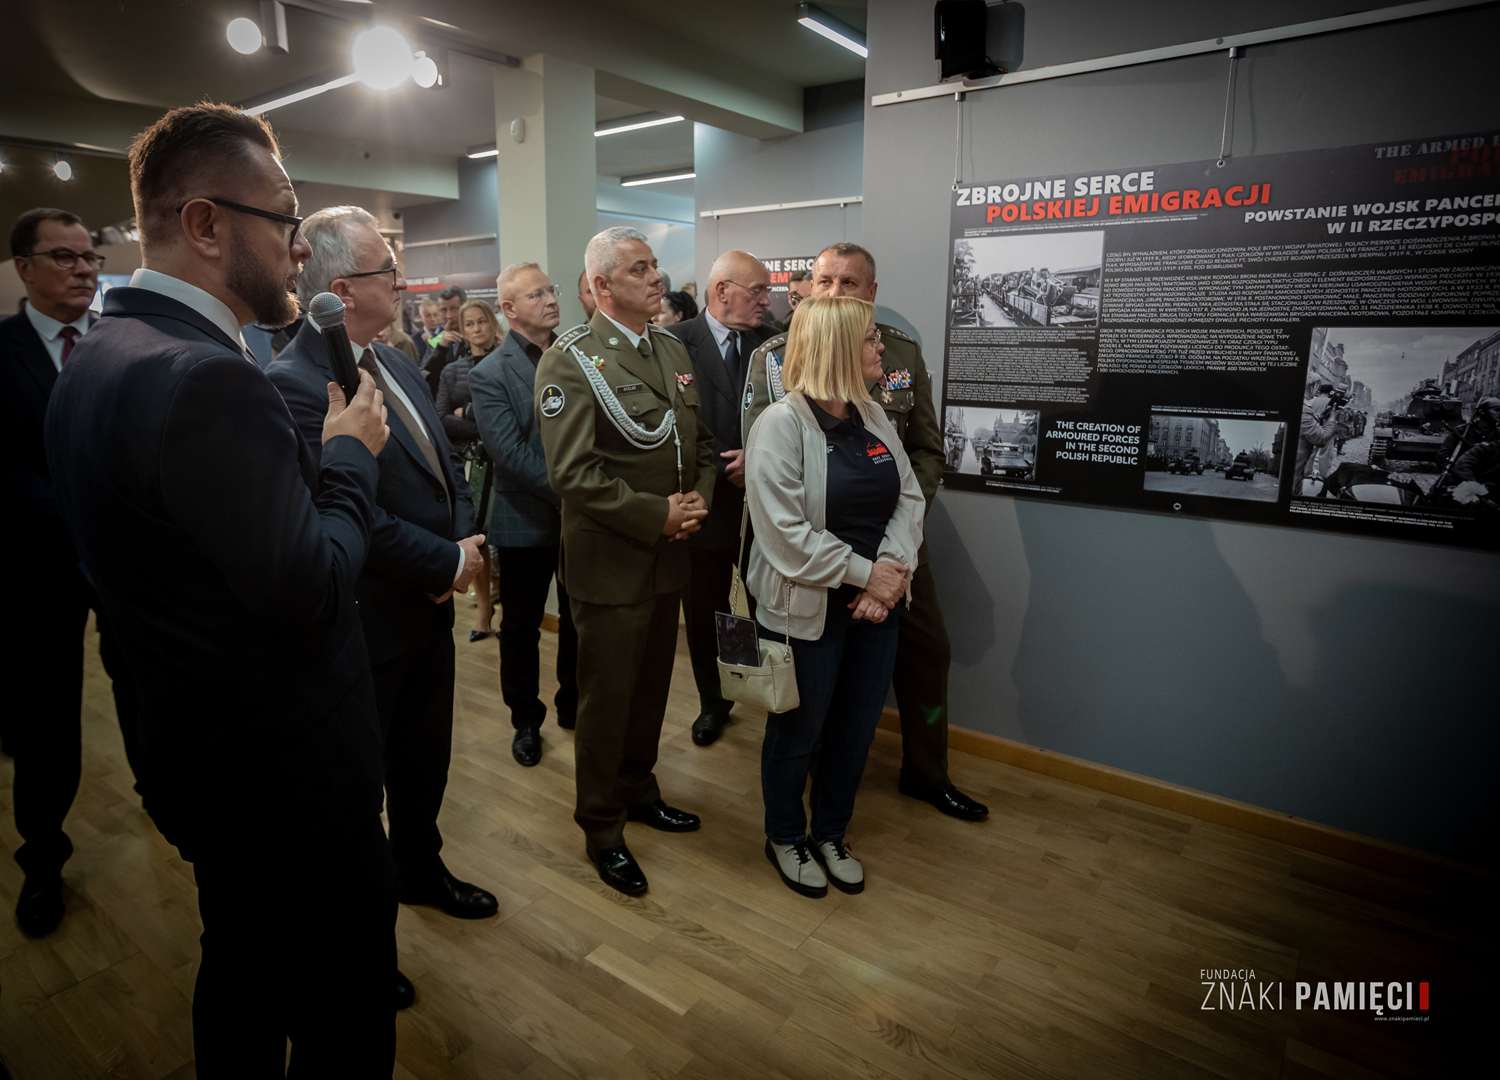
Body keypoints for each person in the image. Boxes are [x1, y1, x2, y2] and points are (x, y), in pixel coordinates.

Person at [44, 103, 401, 1073]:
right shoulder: (206, 378)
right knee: (340, 1005)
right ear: (205, 224)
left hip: (196, 756)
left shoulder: (96, 357)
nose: (299, 248)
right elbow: (313, 588)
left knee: (243, 970)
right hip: (286, 783)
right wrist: (349, 455)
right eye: (284, 219)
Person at [267, 205, 500, 926]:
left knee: (424, 762)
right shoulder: (295, 384)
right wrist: (443, 561)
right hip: (370, 624)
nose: (401, 282)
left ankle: (419, 870)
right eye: (388, 271)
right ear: (342, 288)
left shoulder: (392, 359)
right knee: (361, 785)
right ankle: (367, 935)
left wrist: (463, 541)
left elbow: (445, 465)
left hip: (430, 608)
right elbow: (349, 510)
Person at [743, 242, 991, 823]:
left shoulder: (896, 358)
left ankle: (923, 775)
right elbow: (772, 479)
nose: (833, 292)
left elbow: (922, 456)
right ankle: (799, 808)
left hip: (894, 547)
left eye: (847, 283)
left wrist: (891, 558)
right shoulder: (777, 359)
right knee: (811, 697)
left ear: (871, 293)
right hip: (816, 556)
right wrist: (863, 573)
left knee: (922, 658)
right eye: (823, 281)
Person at [536, 226, 716, 896]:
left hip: (667, 557)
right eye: (639, 269)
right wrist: (655, 515)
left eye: (655, 265)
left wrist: (698, 498)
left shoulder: (670, 349)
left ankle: (639, 789)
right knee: (607, 701)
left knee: (650, 692)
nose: (656, 277)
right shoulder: (570, 361)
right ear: (602, 285)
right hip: (611, 563)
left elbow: (699, 443)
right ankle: (601, 824)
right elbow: (573, 475)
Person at [745, 296, 924, 897]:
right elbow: (785, 536)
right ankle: (784, 835)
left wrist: (889, 574)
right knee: (799, 731)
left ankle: (830, 833)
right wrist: (865, 574)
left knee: (855, 730)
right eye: (870, 338)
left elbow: (909, 498)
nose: (881, 347)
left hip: (876, 607)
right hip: (806, 609)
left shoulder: (871, 415)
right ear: (838, 348)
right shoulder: (780, 425)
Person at [1, 207, 143, 939]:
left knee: (145, 690)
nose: (84, 269)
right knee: (46, 723)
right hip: (38, 572)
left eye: (90, 257)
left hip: (126, 568)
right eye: (64, 257)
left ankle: (164, 797)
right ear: (23, 268)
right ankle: (43, 860)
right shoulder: (2, 353)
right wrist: (84, 512)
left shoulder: (122, 342)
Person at [469, 262, 579, 767]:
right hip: (525, 517)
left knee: (578, 618)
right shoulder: (490, 373)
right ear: (509, 309)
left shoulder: (577, 354)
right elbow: (508, 452)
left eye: (550, 290)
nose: (550, 300)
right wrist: (574, 492)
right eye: (536, 295)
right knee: (520, 627)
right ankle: (526, 721)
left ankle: (573, 703)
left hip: (581, 519)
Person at [665, 250, 776, 746]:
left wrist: (760, 457)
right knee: (707, 610)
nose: (766, 300)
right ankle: (714, 702)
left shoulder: (774, 342)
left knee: (765, 606)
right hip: (703, 504)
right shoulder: (673, 344)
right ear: (722, 291)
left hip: (763, 504)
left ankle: (767, 691)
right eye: (758, 290)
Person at [437, 299, 502, 642]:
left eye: (482, 321)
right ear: (462, 331)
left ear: (493, 323)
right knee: (478, 537)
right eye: (470, 324)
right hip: (469, 463)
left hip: (503, 462)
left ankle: (504, 605)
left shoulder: (506, 362)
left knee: (506, 539)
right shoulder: (452, 371)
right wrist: (480, 423)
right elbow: (441, 418)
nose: (477, 329)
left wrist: (468, 412)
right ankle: (483, 613)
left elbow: (509, 416)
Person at [420, 284, 468, 398]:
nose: (449, 316)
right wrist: (441, 348)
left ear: (465, 307)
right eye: (443, 310)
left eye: (454, 309)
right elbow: (424, 375)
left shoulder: (477, 335)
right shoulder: (437, 339)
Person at [1297, 382, 1339, 484]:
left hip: (1311, 429)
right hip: (1326, 430)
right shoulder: (1332, 403)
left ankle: (1307, 473)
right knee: (1325, 453)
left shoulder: (1310, 401)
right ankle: (1322, 476)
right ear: (1330, 392)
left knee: (1311, 452)